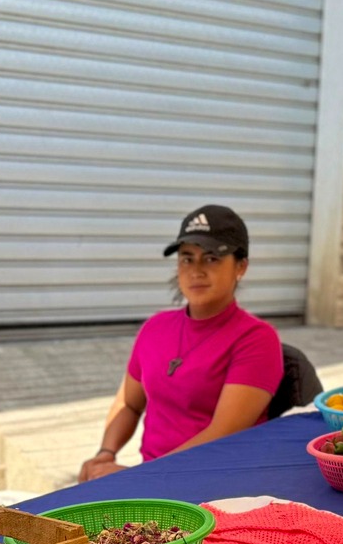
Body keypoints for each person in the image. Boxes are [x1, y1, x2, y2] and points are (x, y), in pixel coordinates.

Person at [79, 205, 284, 483]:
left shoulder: (256, 339)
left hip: (215, 483)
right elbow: (128, 403)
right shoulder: (155, 328)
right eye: (187, 258)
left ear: (241, 266)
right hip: (151, 480)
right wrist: (105, 454)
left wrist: (137, 476)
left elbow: (222, 434)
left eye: (211, 258)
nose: (196, 271)